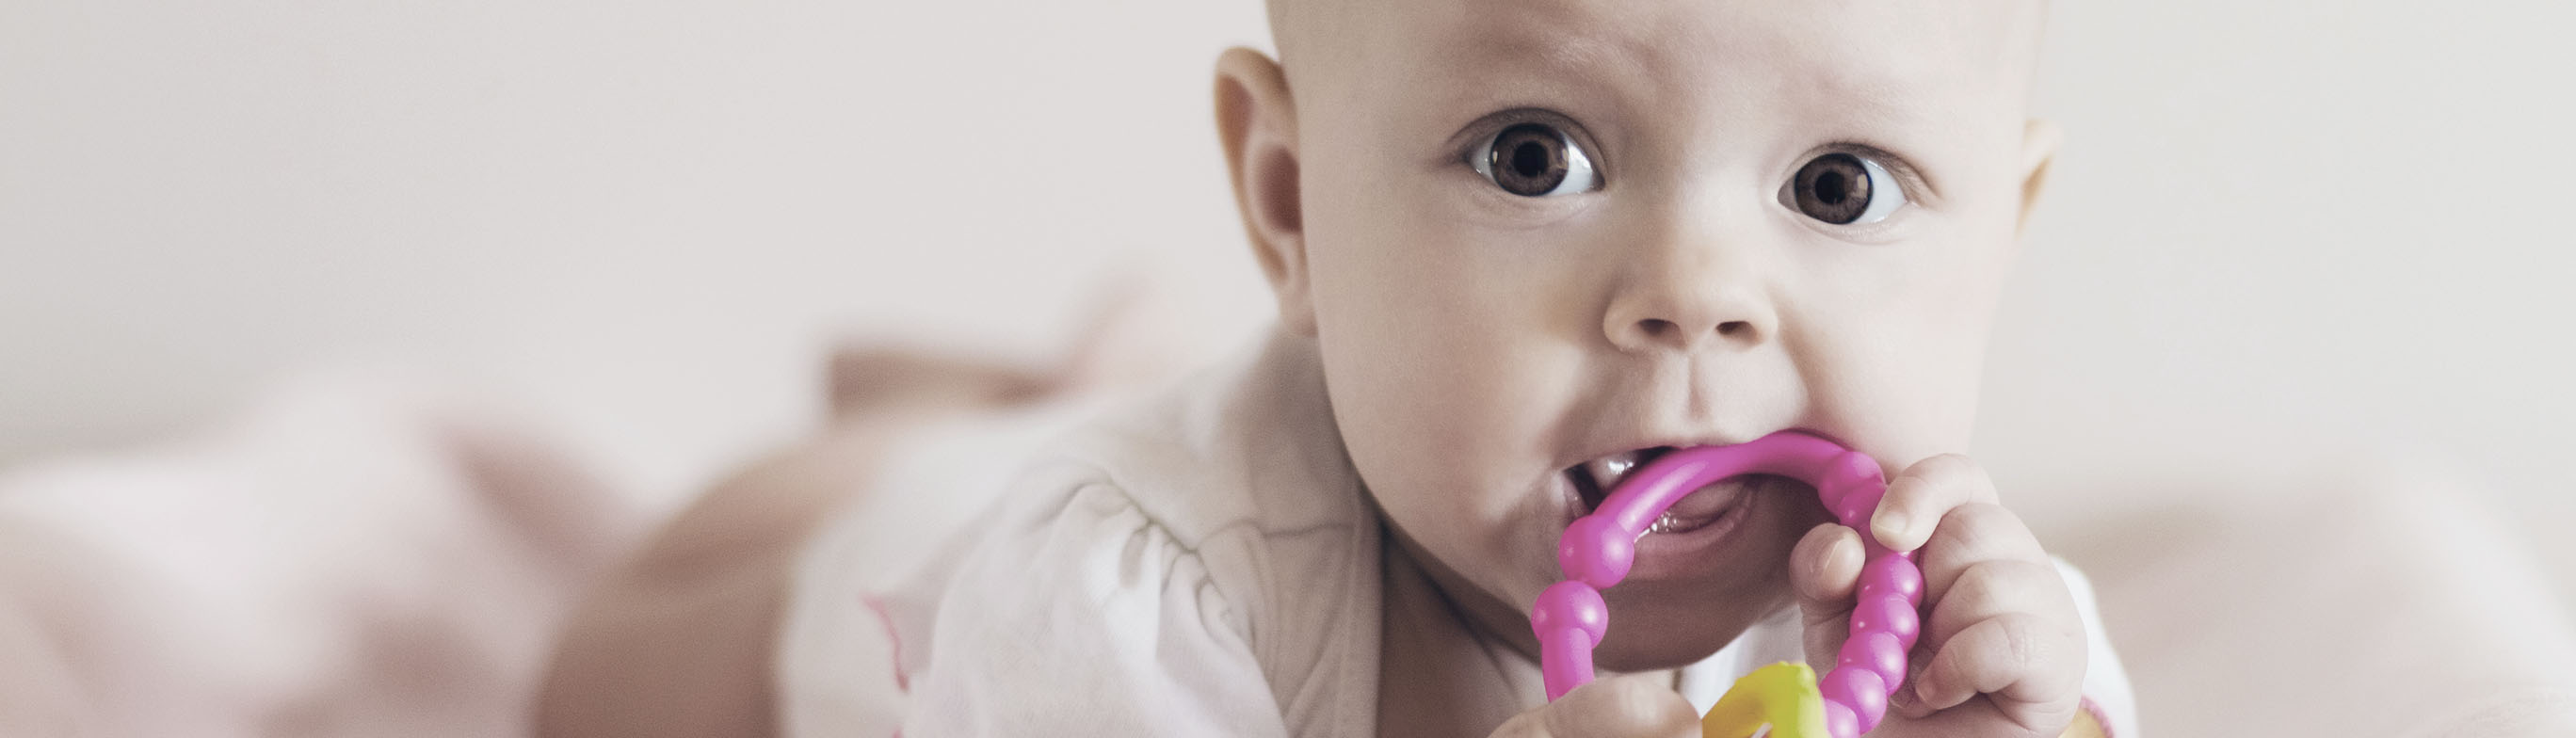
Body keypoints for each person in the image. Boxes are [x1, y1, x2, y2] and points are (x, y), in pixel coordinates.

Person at [543, 1, 2138, 735]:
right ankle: (956, 411)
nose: (1697, 300)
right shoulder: (1123, 598)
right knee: (604, 675)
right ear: (1293, 205)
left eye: (1838, 187)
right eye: (1536, 155)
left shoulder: (1938, 606)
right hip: (893, 586)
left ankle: (1092, 376)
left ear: (2006, 225)